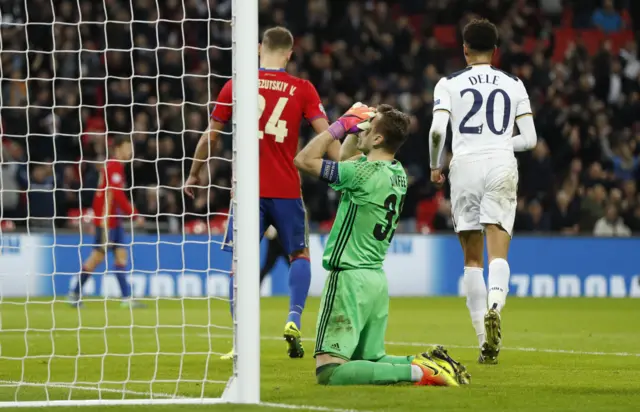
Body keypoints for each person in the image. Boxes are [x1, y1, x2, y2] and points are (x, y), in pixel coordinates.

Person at [184, 26, 338, 359]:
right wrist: (349, 172)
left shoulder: (235, 84)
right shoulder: (303, 89)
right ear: (290, 54)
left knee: (241, 265)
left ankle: (241, 341)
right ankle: (294, 319)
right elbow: (327, 138)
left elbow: (210, 137)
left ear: (258, 49)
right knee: (299, 255)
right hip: (286, 189)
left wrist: (194, 173)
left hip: (247, 193)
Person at [294, 103, 470, 386]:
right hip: (375, 281)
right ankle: (426, 361)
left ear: (378, 139)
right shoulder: (396, 172)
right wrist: (357, 129)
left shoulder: (362, 174)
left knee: (329, 372)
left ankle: (419, 372)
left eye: (369, 126)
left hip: (349, 279)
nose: (362, 128)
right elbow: (346, 159)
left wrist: (340, 125)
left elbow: (303, 160)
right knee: (371, 360)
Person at [428, 19, 537, 364]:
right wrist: (501, 143)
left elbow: (435, 132)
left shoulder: (448, 83)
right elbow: (530, 139)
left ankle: (482, 342)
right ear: (496, 50)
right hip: (502, 163)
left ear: (464, 48)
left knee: (472, 259)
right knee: (498, 250)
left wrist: (435, 165)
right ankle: (496, 305)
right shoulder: (514, 83)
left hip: (465, 166)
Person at [68, 137, 145, 308]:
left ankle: (126, 298)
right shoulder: (114, 165)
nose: (131, 152)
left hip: (114, 220)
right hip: (106, 221)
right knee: (97, 258)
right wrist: (134, 214)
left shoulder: (115, 166)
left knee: (121, 256)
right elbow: (117, 195)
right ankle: (74, 292)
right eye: (128, 147)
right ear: (118, 148)